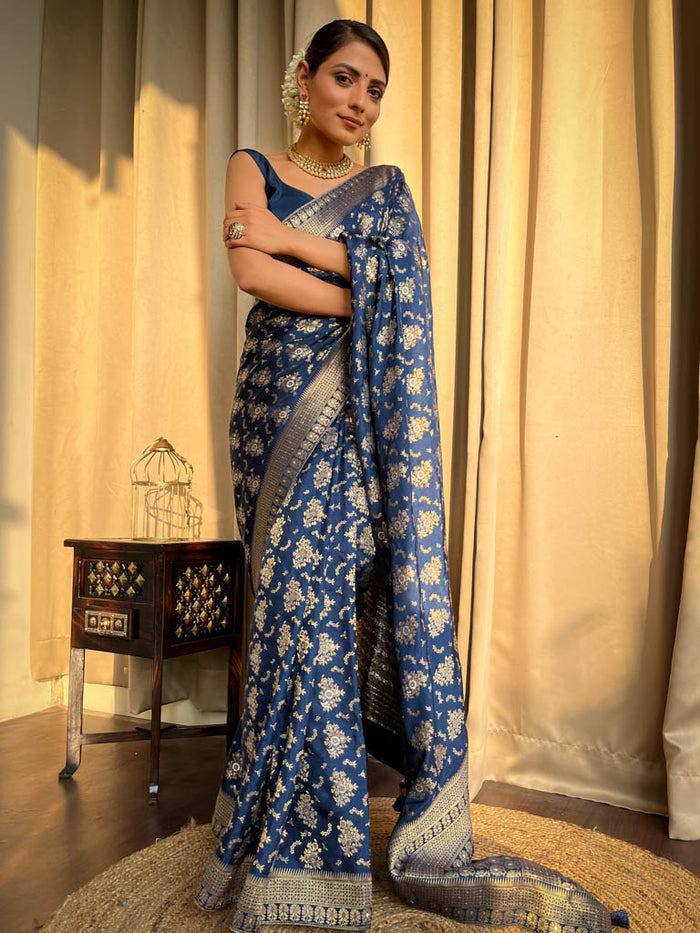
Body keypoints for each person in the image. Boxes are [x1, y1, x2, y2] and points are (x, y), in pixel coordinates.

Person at [193, 18, 630, 933]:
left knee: (323, 610)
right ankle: (276, 827)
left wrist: (290, 242)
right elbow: (250, 273)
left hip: (354, 431)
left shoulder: (383, 193)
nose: (360, 101)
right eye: (345, 78)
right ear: (304, 77)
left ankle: (318, 851)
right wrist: (359, 285)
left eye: (376, 90)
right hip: (273, 418)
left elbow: (390, 288)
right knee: (284, 613)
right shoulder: (252, 164)